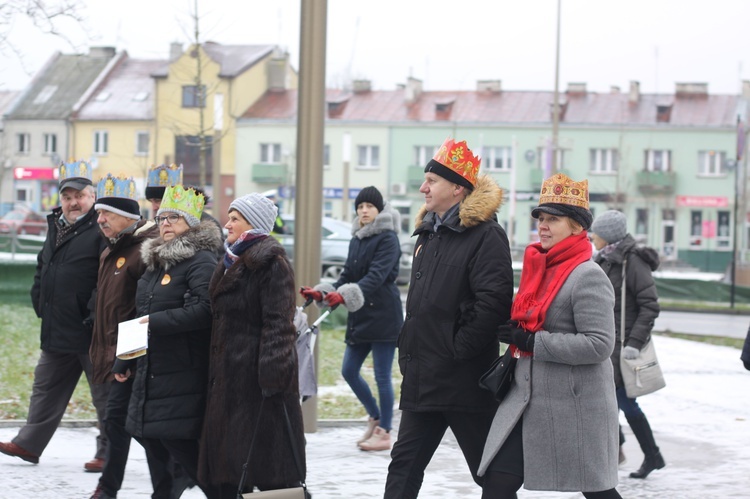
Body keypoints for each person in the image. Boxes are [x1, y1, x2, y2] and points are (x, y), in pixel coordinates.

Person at [384, 138, 514, 498]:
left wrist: (457, 350)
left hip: (463, 380)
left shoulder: (486, 235)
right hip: (423, 376)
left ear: (457, 188)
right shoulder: (428, 233)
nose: (423, 187)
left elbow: (494, 303)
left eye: (432, 181)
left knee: (489, 474)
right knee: (403, 467)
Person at [478, 173, 621, 499]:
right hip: (529, 400)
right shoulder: (540, 266)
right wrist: (514, 333)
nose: (542, 225)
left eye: (552, 219)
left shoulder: (588, 275)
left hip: (575, 407)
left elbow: (599, 344)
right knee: (497, 483)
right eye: (540, 218)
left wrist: (533, 342)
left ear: (576, 227)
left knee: (598, 492)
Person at [0, 160, 109, 471]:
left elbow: (106, 279)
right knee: (45, 387)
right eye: (67, 197)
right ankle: (28, 444)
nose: (73, 202)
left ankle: (108, 453)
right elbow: (43, 266)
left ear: (92, 197)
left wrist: (91, 314)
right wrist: (40, 302)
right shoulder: (56, 226)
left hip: (92, 329)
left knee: (105, 395)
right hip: (57, 326)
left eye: (80, 196)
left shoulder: (101, 227)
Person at [198, 193, 305, 498]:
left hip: (257, 384)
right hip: (229, 379)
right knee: (231, 468)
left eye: (234, 218)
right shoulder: (233, 259)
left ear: (252, 223)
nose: (226, 223)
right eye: (228, 216)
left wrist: (271, 376)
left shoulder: (271, 262)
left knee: (267, 471)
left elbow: (279, 324)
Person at [116, 185, 221, 497]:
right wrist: (125, 357)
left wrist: (155, 324)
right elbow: (140, 314)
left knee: (183, 449)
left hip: (182, 371)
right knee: (153, 442)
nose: (165, 223)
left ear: (191, 223)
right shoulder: (156, 262)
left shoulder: (201, 261)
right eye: (161, 218)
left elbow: (205, 311)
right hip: (151, 370)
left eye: (174, 218)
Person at [86, 174, 171, 499]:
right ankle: (109, 488)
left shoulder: (144, 251)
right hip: (113, 351)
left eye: (106, 213)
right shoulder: (112, 249)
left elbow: (142, 311)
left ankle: (172, 481)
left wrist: (130, 358)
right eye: (98, 213)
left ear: (129, 218)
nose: (100, 219)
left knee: (139, 428)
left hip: (135, 356)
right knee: (117, 422)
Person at [301, 186, 403, 452]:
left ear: (379, 209)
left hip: (383, 315)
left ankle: (385, 431)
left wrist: (344, 296)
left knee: (382, 375)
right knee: (348, 370)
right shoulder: (356, 238)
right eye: (360, 207)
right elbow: (347, 276)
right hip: (361, 315)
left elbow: (376, 277)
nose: (364, 211)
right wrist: (324, 292)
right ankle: (375, 416)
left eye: (369, 206)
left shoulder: (388, 238)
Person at [590, 209, 665, 479]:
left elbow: (649, 306)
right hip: (607, 346)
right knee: (606, 401)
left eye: (595, 233)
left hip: (623, 348)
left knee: (625, 403)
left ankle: (650, 455)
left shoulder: (631, 261)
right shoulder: (605, 259)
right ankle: (622, 449)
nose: (592, 237)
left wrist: (634, 342)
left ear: (607, 236)